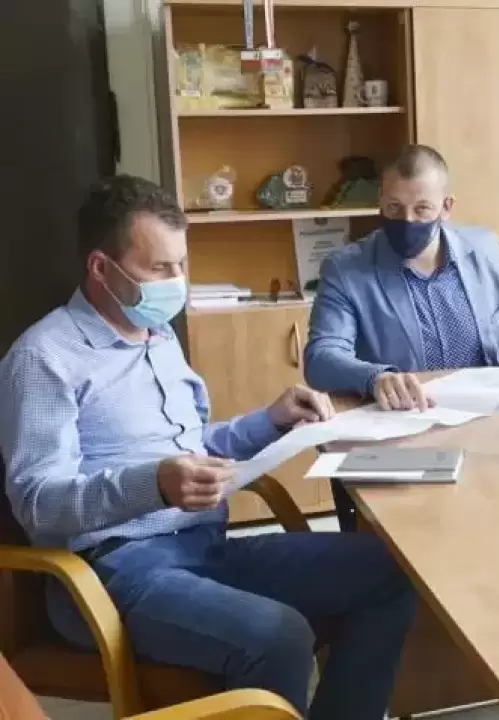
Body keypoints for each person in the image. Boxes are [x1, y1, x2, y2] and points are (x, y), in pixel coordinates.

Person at [0, 176, 417, 719]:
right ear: (101, 268)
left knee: (390, 571)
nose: (177, 282)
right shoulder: (43, 359)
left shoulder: (157, 336)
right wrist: (154, 484)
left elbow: (193, 450)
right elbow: (38, 502)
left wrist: (270, 421)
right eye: (159, 268)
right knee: (279, 635)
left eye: (181, 264)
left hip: (203, 547)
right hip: (114, 571)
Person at [304, 144, 499, 530]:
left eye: (421, 209)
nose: (406, 220)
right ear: (381, 202)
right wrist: (375, 377)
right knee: (432, 533)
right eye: (394, 208)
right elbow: (321, 357)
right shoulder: (347, 269)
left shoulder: (484, 246)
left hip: (495, 425)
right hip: (411, 435)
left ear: (446, 207)